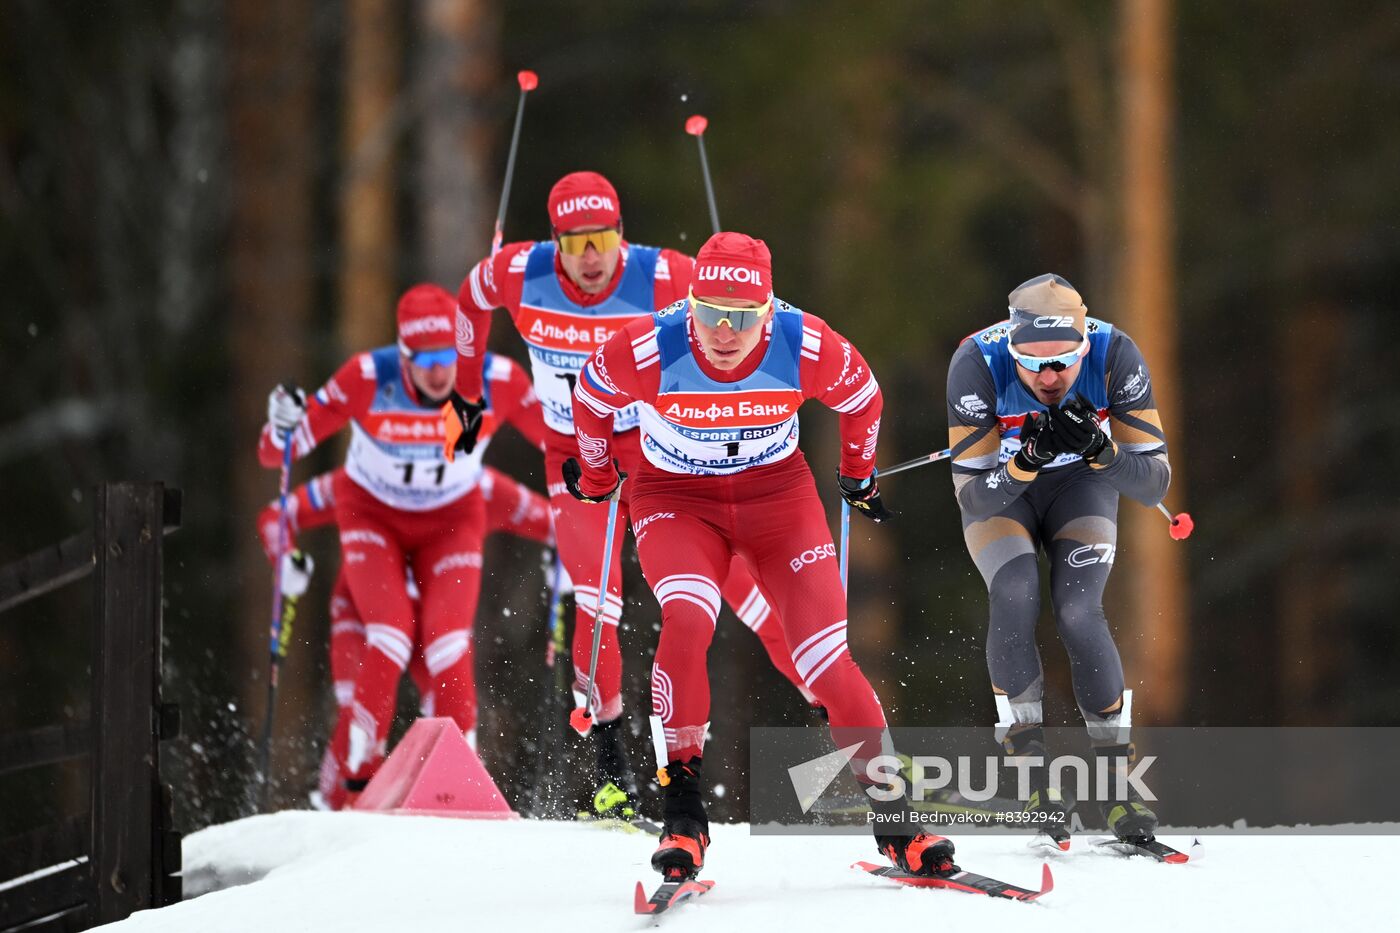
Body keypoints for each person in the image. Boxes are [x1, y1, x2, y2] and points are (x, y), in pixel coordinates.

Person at [566, 231, 956, 880]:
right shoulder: (651, 344)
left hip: (777, 497)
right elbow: (590, 396)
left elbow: (863, 397)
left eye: (742, 317)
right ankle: (684, 814)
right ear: (688, 302)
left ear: (769, 311)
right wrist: (600, 471)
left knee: (826, 658)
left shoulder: (803, 343)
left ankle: (898, 821)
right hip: (676, 497)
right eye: (710, 311)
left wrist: (857, 475)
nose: (724, 331)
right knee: (689, 620)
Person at [442, 171, 817, 821]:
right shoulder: (518, 271)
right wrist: (465, 395)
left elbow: (760, 311)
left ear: (623, 233)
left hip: (659, 453)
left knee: (747, 591)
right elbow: (470, 297)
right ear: (553, 240)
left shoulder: (664, 273)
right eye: (575, 242)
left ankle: (836, 725)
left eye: (604, 238)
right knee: (597, 599)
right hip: (574, 456)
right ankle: (610, 777)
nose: (591, 258)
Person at [259, 283, 546, 804]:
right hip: (374, 516)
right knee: (389, 634)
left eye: (450, 357)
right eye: (424, 359)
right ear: (403, 354)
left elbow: (565, 439)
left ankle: (460, 784)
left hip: (450, 522)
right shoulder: (368, 378)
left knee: (447, 644)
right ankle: (355, 781)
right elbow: (273, 457)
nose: (440, 372)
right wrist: (281, 426)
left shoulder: (496, 379)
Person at [945, 273, 1172, 847]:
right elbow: (974, 497)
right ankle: (1032, 777)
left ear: (1084, 348)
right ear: (1013, 348)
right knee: (1016, 590)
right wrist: (1025, 459)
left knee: (1078, 610)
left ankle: (1118, 789)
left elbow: (1153, 485)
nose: (1049, 377)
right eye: (1033, 364)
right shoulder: (976, 360)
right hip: (1006, 492)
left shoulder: (1116, 353)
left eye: (1065, 363)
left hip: (1082, 488)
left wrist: (1103, 449)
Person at [256, 463, 554, 810]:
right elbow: (277, 515)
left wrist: (564, 557)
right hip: (366, 613)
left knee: (446, 693)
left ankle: (454, 797)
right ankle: (340, 805)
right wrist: (284, 557)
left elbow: (558, 523)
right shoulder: (366, 474)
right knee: (357, 704)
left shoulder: (475, 482)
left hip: (432, 618)